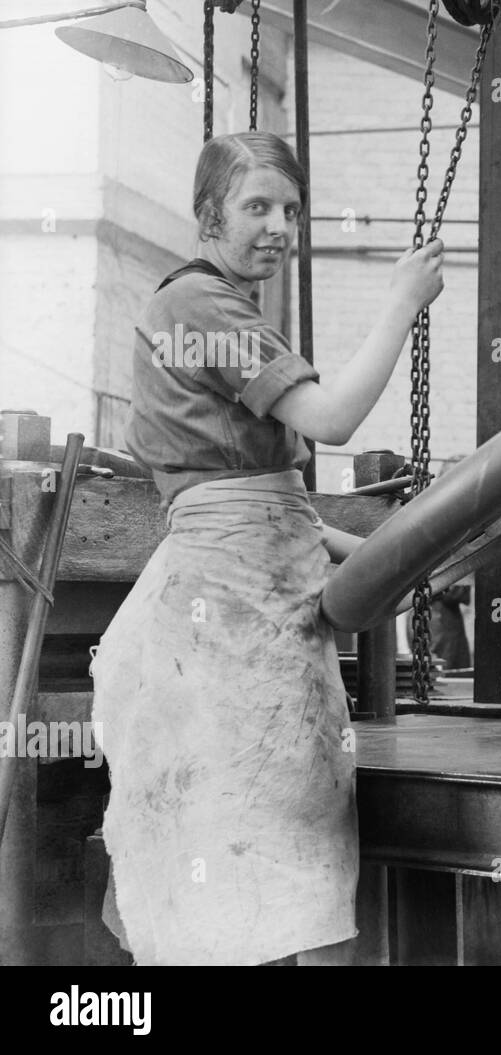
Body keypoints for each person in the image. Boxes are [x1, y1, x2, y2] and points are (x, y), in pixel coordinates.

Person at [89, 132, 444, 966]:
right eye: (257, 206)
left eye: (291, 208)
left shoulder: (216, 305)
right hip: (232, 614)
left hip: (249, 590)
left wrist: (379, 548)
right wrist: (402, 302)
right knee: (260, 835)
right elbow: (331, 421)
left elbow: (258, 497)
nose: (280, 225)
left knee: (274, 839)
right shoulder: (200, 308)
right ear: (208, 212)